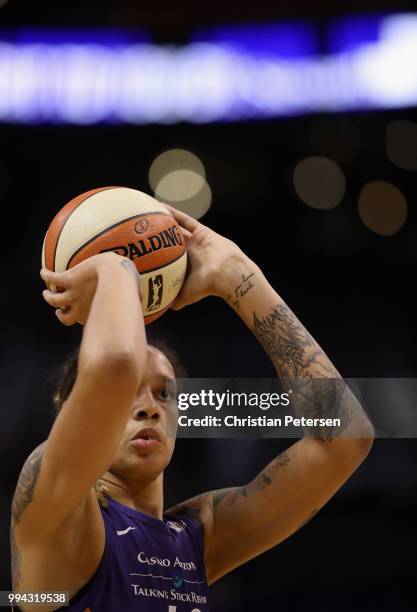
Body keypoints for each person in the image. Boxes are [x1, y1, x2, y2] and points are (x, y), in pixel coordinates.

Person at [10, 205, 374, 611]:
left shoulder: (197, 538)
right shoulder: (53, 509)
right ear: (68, 413)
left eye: (164, 394)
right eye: (130, 393)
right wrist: (116, 268)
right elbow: (115, 365)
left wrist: (238, 275)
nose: (149, 407)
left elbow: (345, 438)